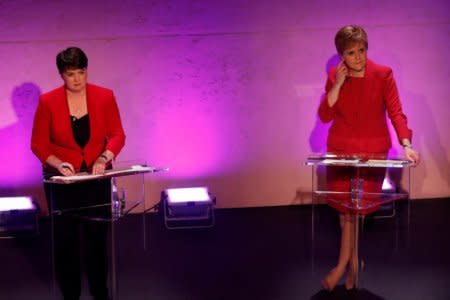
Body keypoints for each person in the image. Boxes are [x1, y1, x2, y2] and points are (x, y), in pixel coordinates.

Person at [317, 25, 420, 291]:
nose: (358, 57)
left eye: (361, 50)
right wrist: (338, 84)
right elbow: (325, 115)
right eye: (351, 53)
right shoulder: (334, 75)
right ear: (342, 56)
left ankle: (342, 266)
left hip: (372, 152)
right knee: (344, 212)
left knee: (357, 211)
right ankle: (352, 263)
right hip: (341, 150)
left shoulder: (383, 74)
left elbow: (396, 112)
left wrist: (406, 143)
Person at [31, 47, 126, 300]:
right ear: (61, 75)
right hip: (63, 183)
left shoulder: (104, 96)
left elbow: (118, 134)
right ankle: (70, 295)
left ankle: (100, 293)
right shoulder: (48, 102)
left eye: (81, 72)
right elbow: (38, 144)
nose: (77, 79)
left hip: (95, 181)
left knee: (97, 243)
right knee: (66, 245)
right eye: (71, 74)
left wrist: (105, 157)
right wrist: (57, 163)